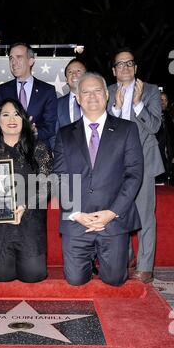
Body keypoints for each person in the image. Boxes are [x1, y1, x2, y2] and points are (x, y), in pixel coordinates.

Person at [54, 72, 143, 286]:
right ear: (77, 97)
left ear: (106, 95)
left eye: (97, 91)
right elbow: (59, 177)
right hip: (78, 219)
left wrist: (111, 213)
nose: (92, 96)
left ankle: (113, 259)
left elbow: (134, 175)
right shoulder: (64, 134)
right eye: (85, 92)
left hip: (113, 219)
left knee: (114, 280)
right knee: (75, 280)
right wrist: (76, 214)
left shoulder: (127, 130)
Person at [0, 98, 53, 283]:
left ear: (24, 119)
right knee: (1, 276)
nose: (12, 119)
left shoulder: (38, 148)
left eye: (17, 114)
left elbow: (46, 184)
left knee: (34, 275)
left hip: (29, 220)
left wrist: (26, 206)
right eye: (5, 114)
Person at [107, 48, 164, 283]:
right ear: (113, 71)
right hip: (116, 165)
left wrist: (138, 103)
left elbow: (155, 127)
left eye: (130, 63)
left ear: (136, 68)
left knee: (145, 217)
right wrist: (118, 109)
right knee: (119, 213)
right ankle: (128, 256)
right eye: (120, 64)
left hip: (145, 163)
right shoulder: (108, 92)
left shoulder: (150, 91)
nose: (126, 67)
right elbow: (105, 129)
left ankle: (145, 266)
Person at [0, 42, 57, 149]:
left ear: (31, 60)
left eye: (19, 57)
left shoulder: (47, 91)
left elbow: (50, 127)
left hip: (37, 151)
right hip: (9, 150)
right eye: (11, 58)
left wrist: (33, 132)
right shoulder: (2, 90)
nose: (13, 62)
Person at [55, 58, 87, 135]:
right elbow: (54, 134)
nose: (74, 74)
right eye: (70, 72)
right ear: (66, 79)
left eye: (78, 71)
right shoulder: (57, 104)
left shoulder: (95, 100)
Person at [155, 91, 174, 184]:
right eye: (161, 100)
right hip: (155, 158)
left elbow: (172, 138)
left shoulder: (170, 117)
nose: (163, 102)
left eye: (165, 100)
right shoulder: (151, 117)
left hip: (167, 157)